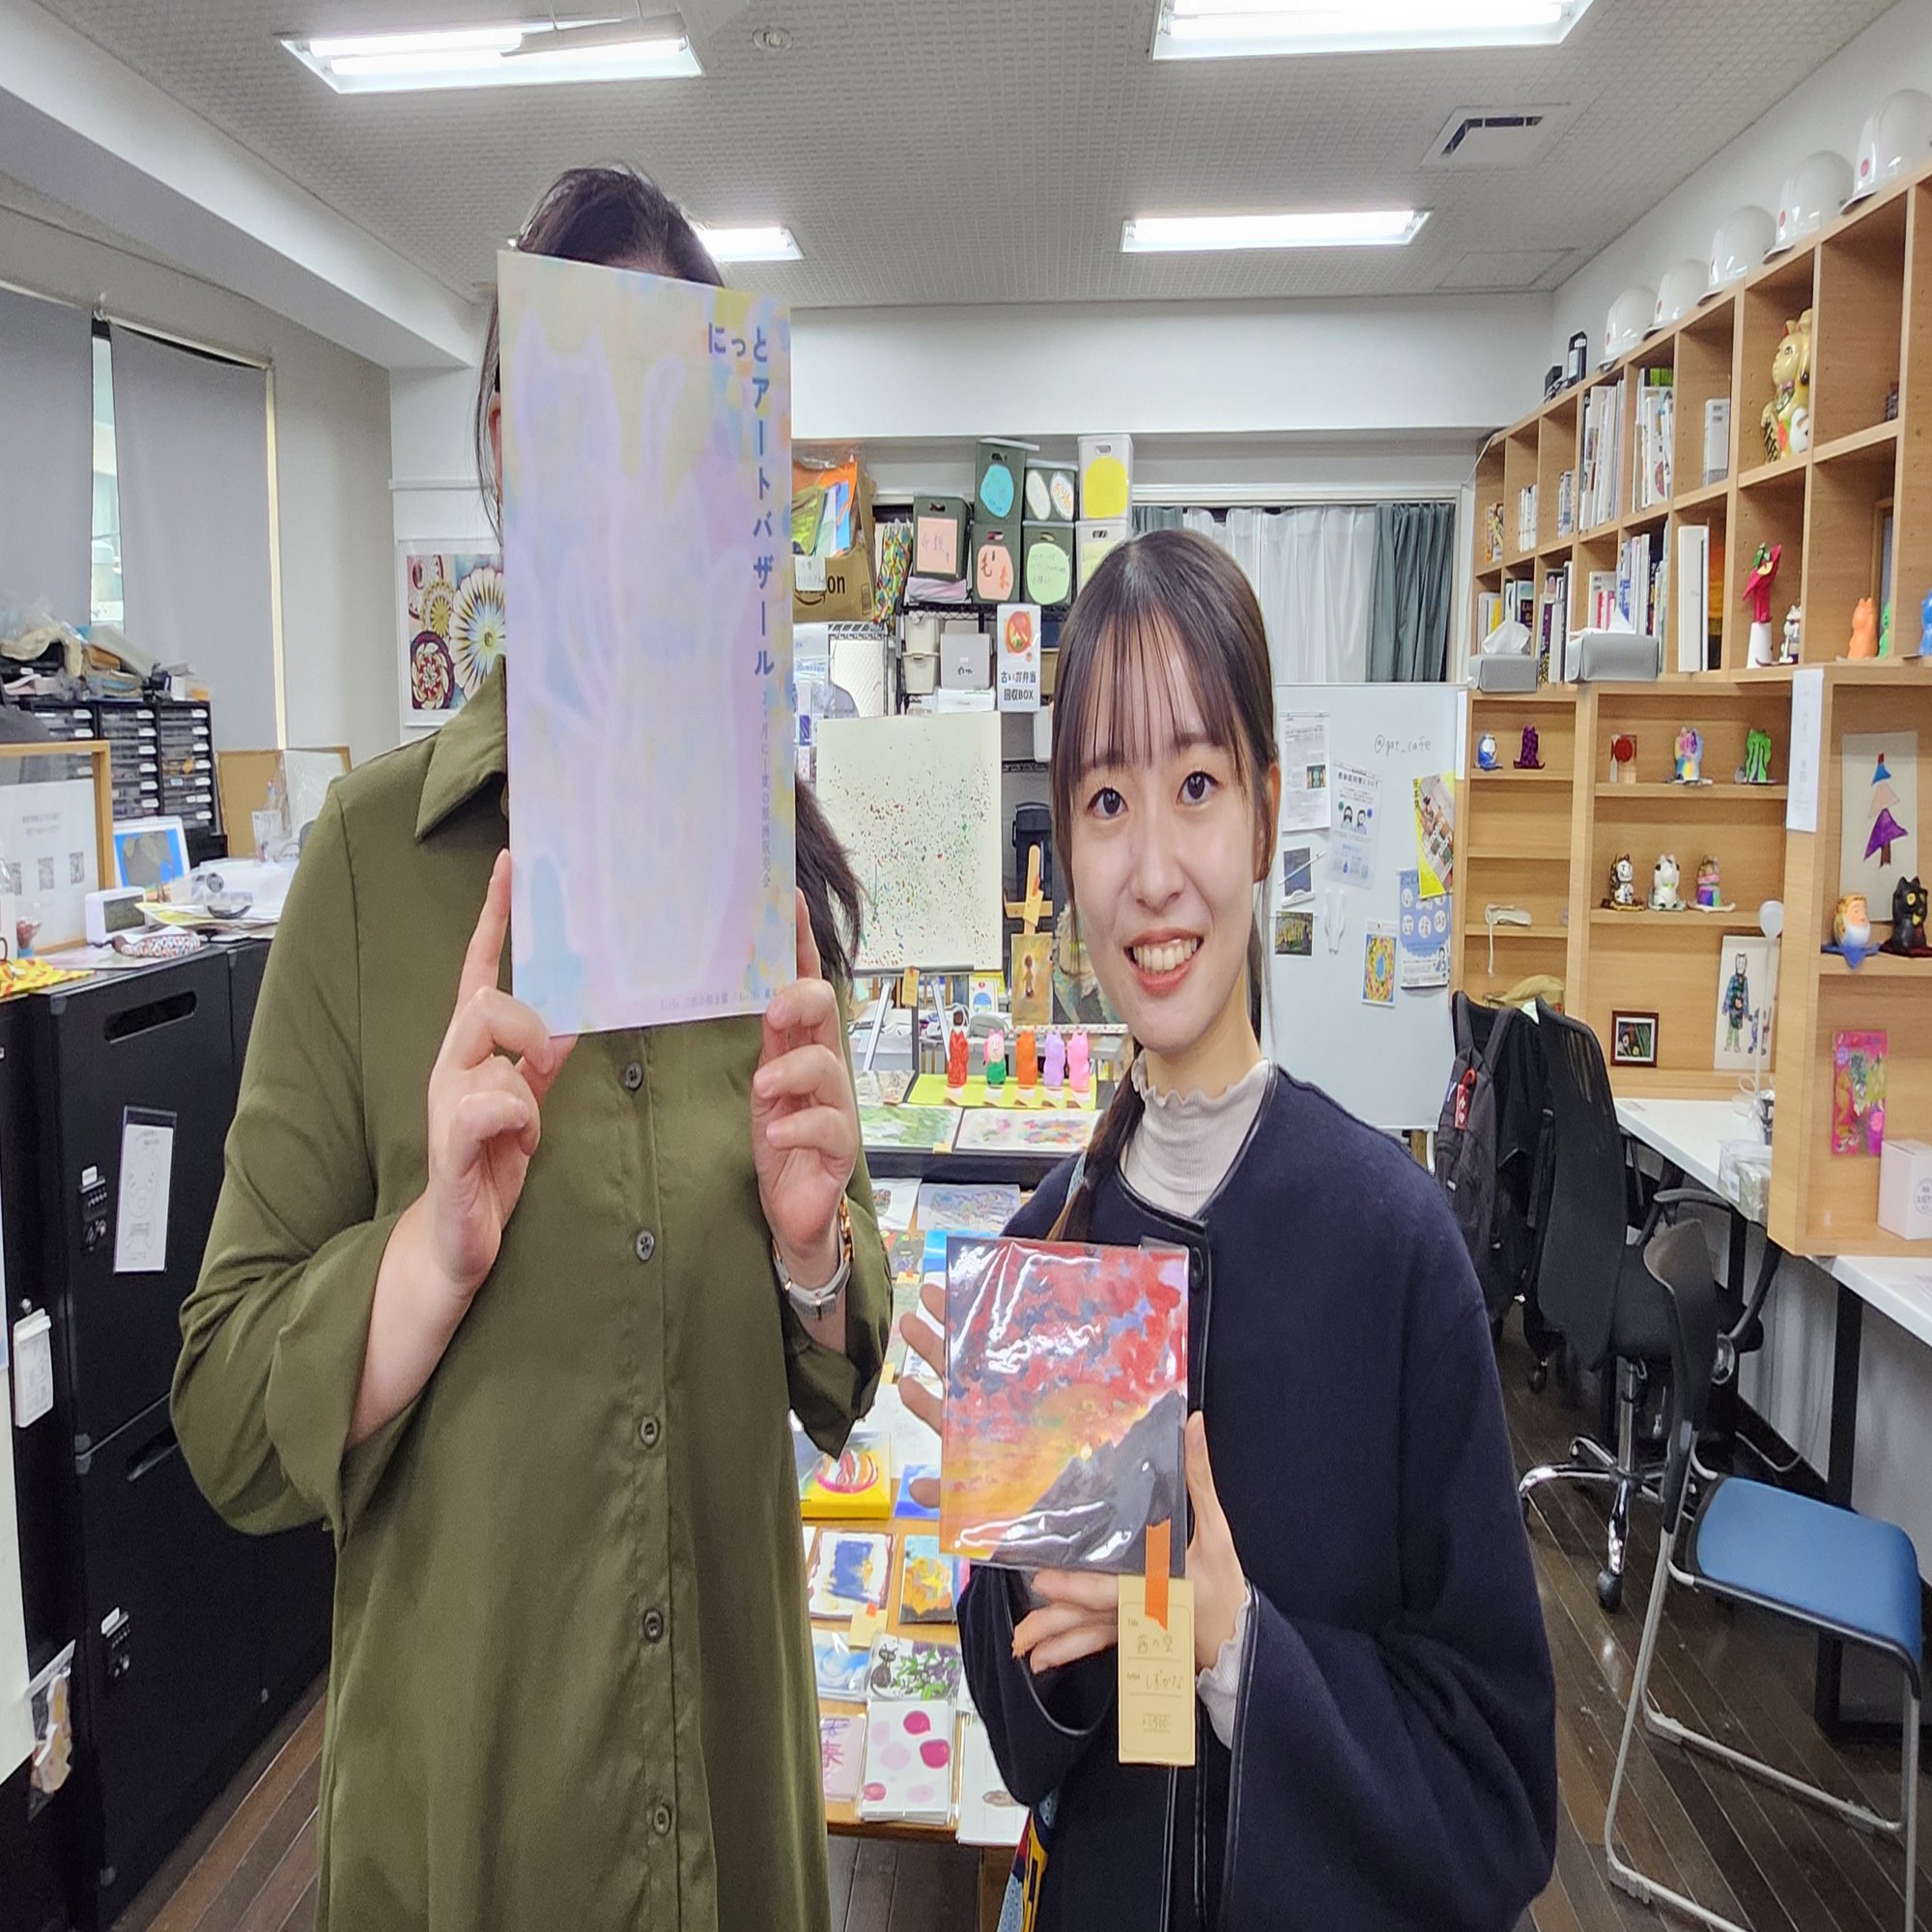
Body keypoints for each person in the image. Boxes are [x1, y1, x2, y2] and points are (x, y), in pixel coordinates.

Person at [171, 165, 891, 1932]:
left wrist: (815, 1258)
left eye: (679, 426)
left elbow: (840, 1373)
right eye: (587, 411)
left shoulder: (757, 880)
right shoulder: (369, 866)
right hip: (478, 1829)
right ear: (505, 436)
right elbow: (224, 1409)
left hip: (727, 1810)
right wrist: (425, 1258)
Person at [903, 530, 1556, 1930]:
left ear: (1263, 814)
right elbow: (1029, 1750)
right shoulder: (1051, 1253)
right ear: (1064, 847)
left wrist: (1228, 1643)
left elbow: (1500, 1801)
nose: (1152, 872)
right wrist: (1026, 1551)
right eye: (1105, 800)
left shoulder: (1393, 1248)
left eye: (1196, 787)